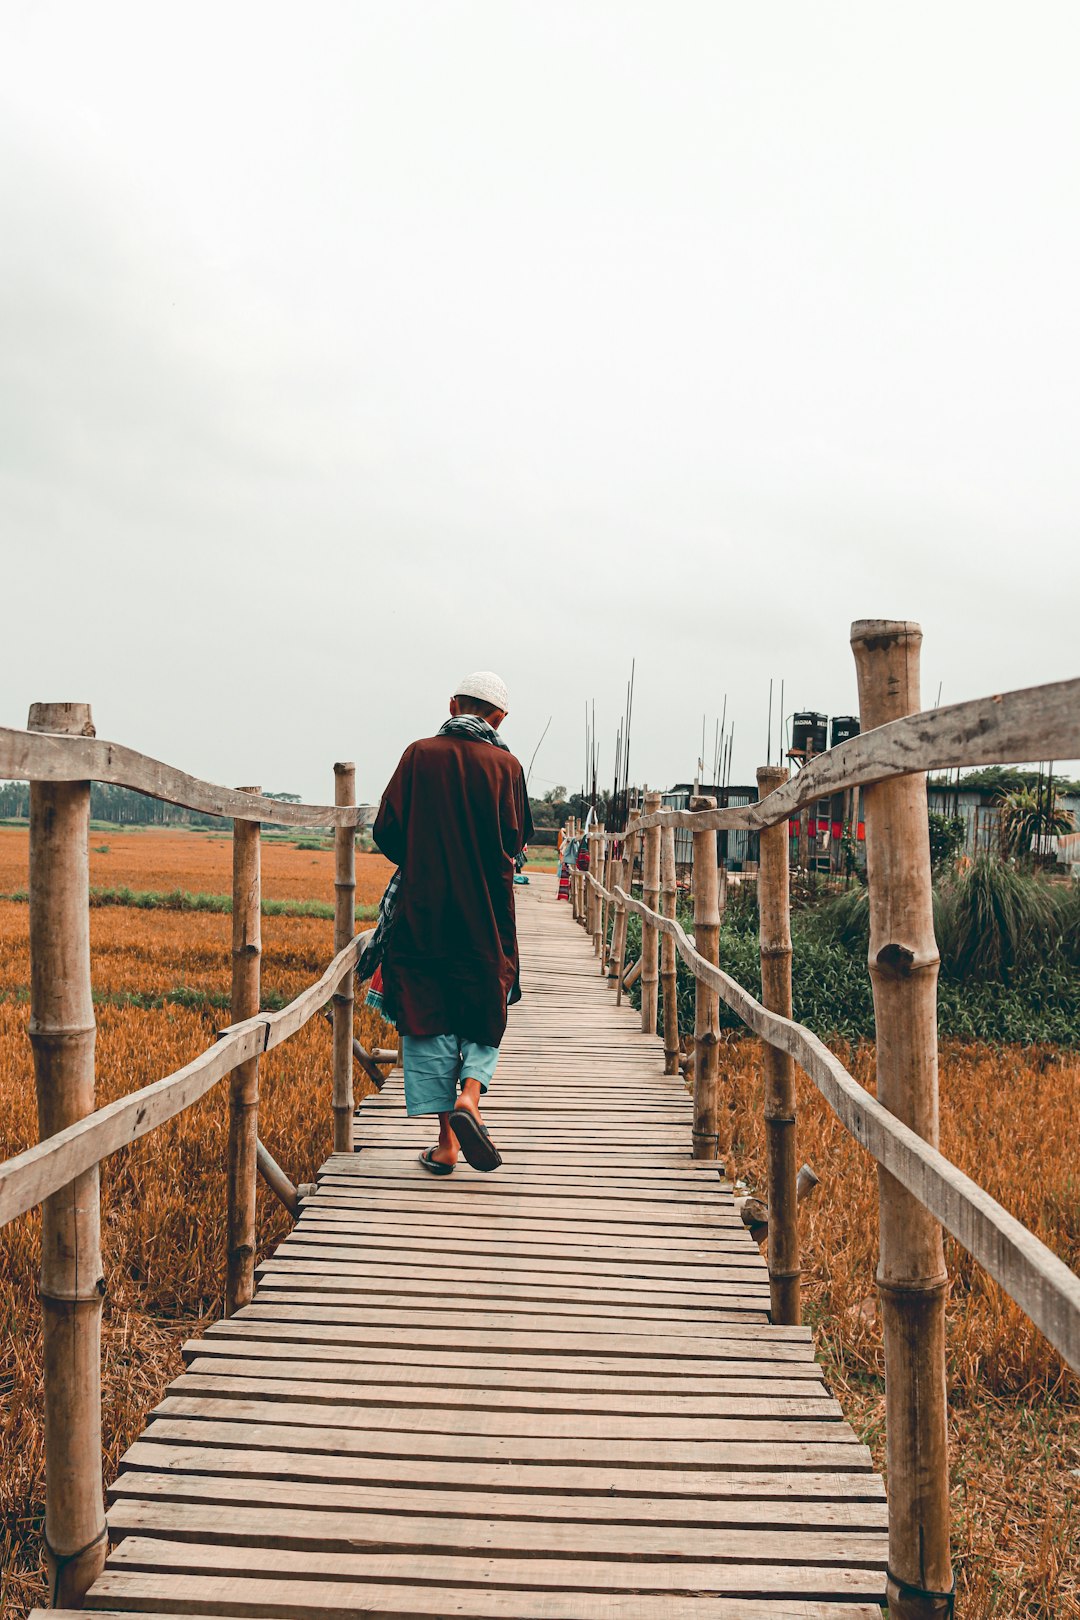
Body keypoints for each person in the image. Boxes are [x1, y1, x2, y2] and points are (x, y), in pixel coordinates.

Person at [370, 671, 533, 1174]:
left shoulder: (419, 755)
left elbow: (386, 831)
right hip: (487, 911)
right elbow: (518, 839)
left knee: (427, 1008)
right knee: (485, 999)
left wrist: (422, 857)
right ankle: (470, 1096)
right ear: (499, 717)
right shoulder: (508, 766)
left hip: (424, 907)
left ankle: (446, 1144)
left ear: (452, 704)